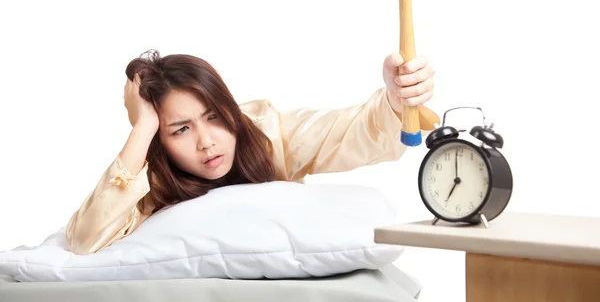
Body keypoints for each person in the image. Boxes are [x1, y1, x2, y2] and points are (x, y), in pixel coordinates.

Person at [65, 49, 437, 255]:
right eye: (180, 129)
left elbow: (349, 131)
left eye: (213, 117)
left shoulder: (268, 133)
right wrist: (142, 128)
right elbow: (86, 237)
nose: (206, 141)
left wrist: (393, 96)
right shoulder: (154, 181)